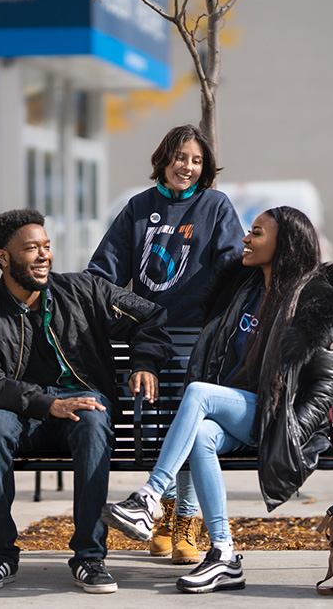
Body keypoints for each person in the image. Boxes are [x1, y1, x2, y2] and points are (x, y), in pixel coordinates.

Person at [101, 206, 333, 593]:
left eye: (258, 233)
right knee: (202, 435)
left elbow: (325, 385)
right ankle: (224, 555)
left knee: (198, 393)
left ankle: (149, 498)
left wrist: (290, 427)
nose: (246, 238)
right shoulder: (245, 290)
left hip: (274, 417)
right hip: (238, 410)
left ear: (285, 245)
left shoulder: (314, 299)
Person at [0, 209, 171, 594]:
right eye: (32, 249)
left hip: (79, 407)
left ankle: (90, 557)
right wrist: (45, 403)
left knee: (92, 416)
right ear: (4, 258)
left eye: (47, 247)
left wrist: (145, 363)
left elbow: (149, 316)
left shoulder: (86, 290)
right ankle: (0, 554)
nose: (44, 256)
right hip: (20, 411)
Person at [86, 124, 242, 564]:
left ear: (205, 167)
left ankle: (186, 526)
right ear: (163, 160)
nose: (187, 167)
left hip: (200, 338)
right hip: (151, 337)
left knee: (190, 432)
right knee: (162, 430)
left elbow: (233, 268)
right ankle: (165, 515)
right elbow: (104, 272)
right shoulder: (139, 208)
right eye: (180, 158)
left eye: (196, 161)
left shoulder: (216, 206)